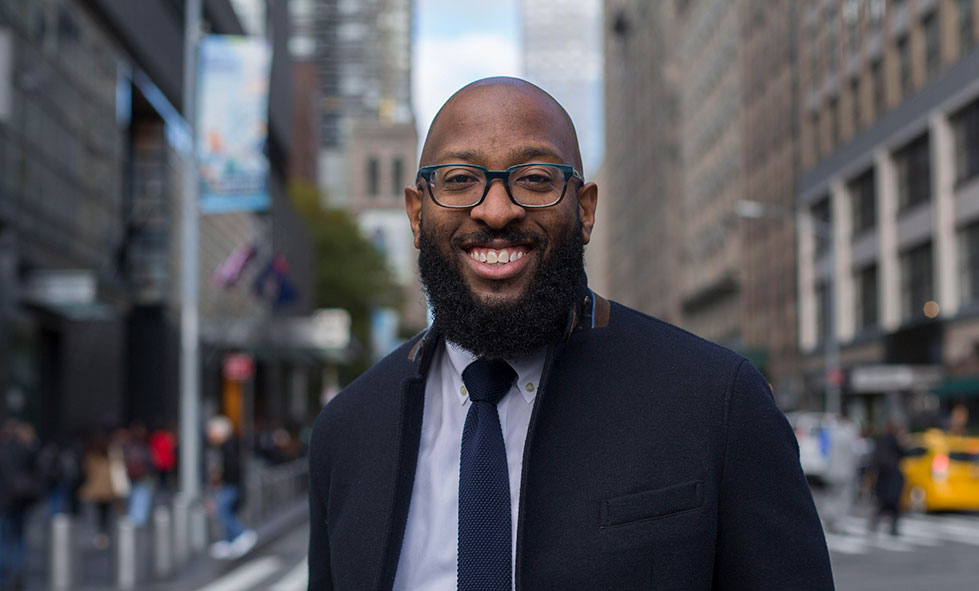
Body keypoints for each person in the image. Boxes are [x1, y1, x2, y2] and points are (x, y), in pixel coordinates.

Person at [307, 77, 833, 590]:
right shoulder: (346, 430)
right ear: (417, 214)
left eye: (535, 178)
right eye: (460, 179)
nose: (496, 209)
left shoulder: (719, 400)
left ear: (584, 210)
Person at [206, 415, 256, 559]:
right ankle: (229, 542)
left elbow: (230, 469)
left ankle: (241, 534)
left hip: (230, 485)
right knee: (226, 511)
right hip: (230, 485)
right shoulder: (225, 446)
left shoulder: (228, 447)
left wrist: (220, 479)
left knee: (222, 511)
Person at [0, 420, 41, 591]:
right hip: (20, 501)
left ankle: (3, 577)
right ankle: (17, 574)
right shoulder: (25, 451)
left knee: (3, 540)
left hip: (3, 502)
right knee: (19, 540)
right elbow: (38, 468)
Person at [822, 410, 860, 534]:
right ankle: (839, 523)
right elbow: (855, 453)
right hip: (846, 470)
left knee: (831, 495)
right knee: (843, 498)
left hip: (832, 470)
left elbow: (825, 450)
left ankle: (828, 518)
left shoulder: (832, 432)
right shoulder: (849, 432)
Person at [869, 422, 905, 536]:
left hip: (883, 476)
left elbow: (874, 459)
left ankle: (877, 524)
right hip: (892, 476)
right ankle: (892, 528)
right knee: (892, 505)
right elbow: (904, 453)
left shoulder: (881, 440)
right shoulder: (894, 441)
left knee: (883, 504)